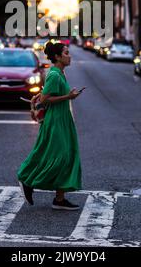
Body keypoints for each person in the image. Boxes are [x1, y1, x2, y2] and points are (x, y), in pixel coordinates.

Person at [17, 41, 83, 210]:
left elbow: (48, 93)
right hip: (55, 121)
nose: (69, 56)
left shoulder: (59, 73)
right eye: (66, 53)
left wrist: (65, 95)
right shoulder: (54, 74)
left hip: (63, 119)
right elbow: (46, 100)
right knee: (57, 156)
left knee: (66, 156)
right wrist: (68, 97)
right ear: (57, 57)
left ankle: (59, 199)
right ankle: (27, 181)